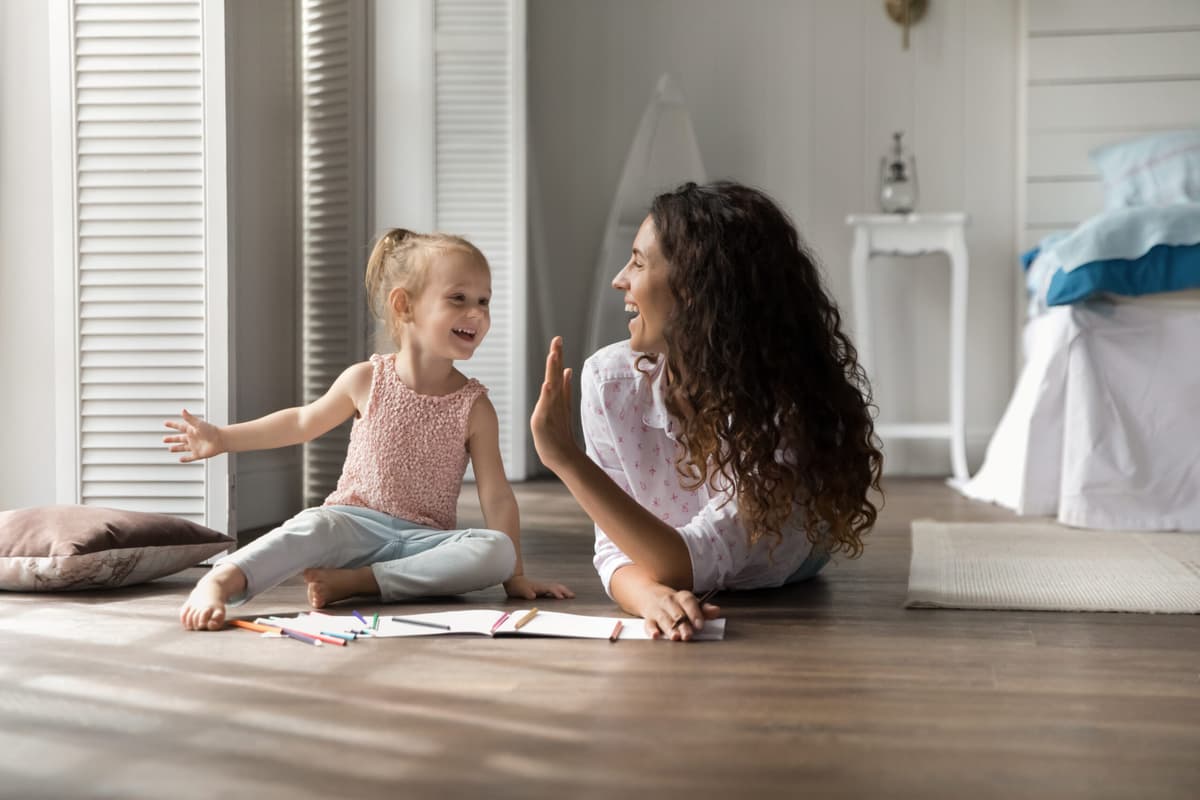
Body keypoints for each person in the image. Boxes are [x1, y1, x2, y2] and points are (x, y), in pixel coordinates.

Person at [167, 228, 572, 631]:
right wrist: (222, 439)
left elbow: (497, 495)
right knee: (308, 527)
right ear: (405, 305)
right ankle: (222, 580)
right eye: (458, 299)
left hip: (422, 543)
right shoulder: (366, 379)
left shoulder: (475, 406)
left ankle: (359, 584)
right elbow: (302, 422)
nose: (478, 313)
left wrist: (514, 575)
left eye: (484, 301)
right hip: (350, 525)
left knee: (495, 551)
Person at [531, 181, 882, 641]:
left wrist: (565, 459)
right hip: (669, 554)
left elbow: (689, 562)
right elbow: (614, 550)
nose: (620, 279)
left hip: (779, 563)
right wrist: (649, 597)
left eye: (638, 262)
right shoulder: (607, 382)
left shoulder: (778, 408)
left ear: (694, 288)